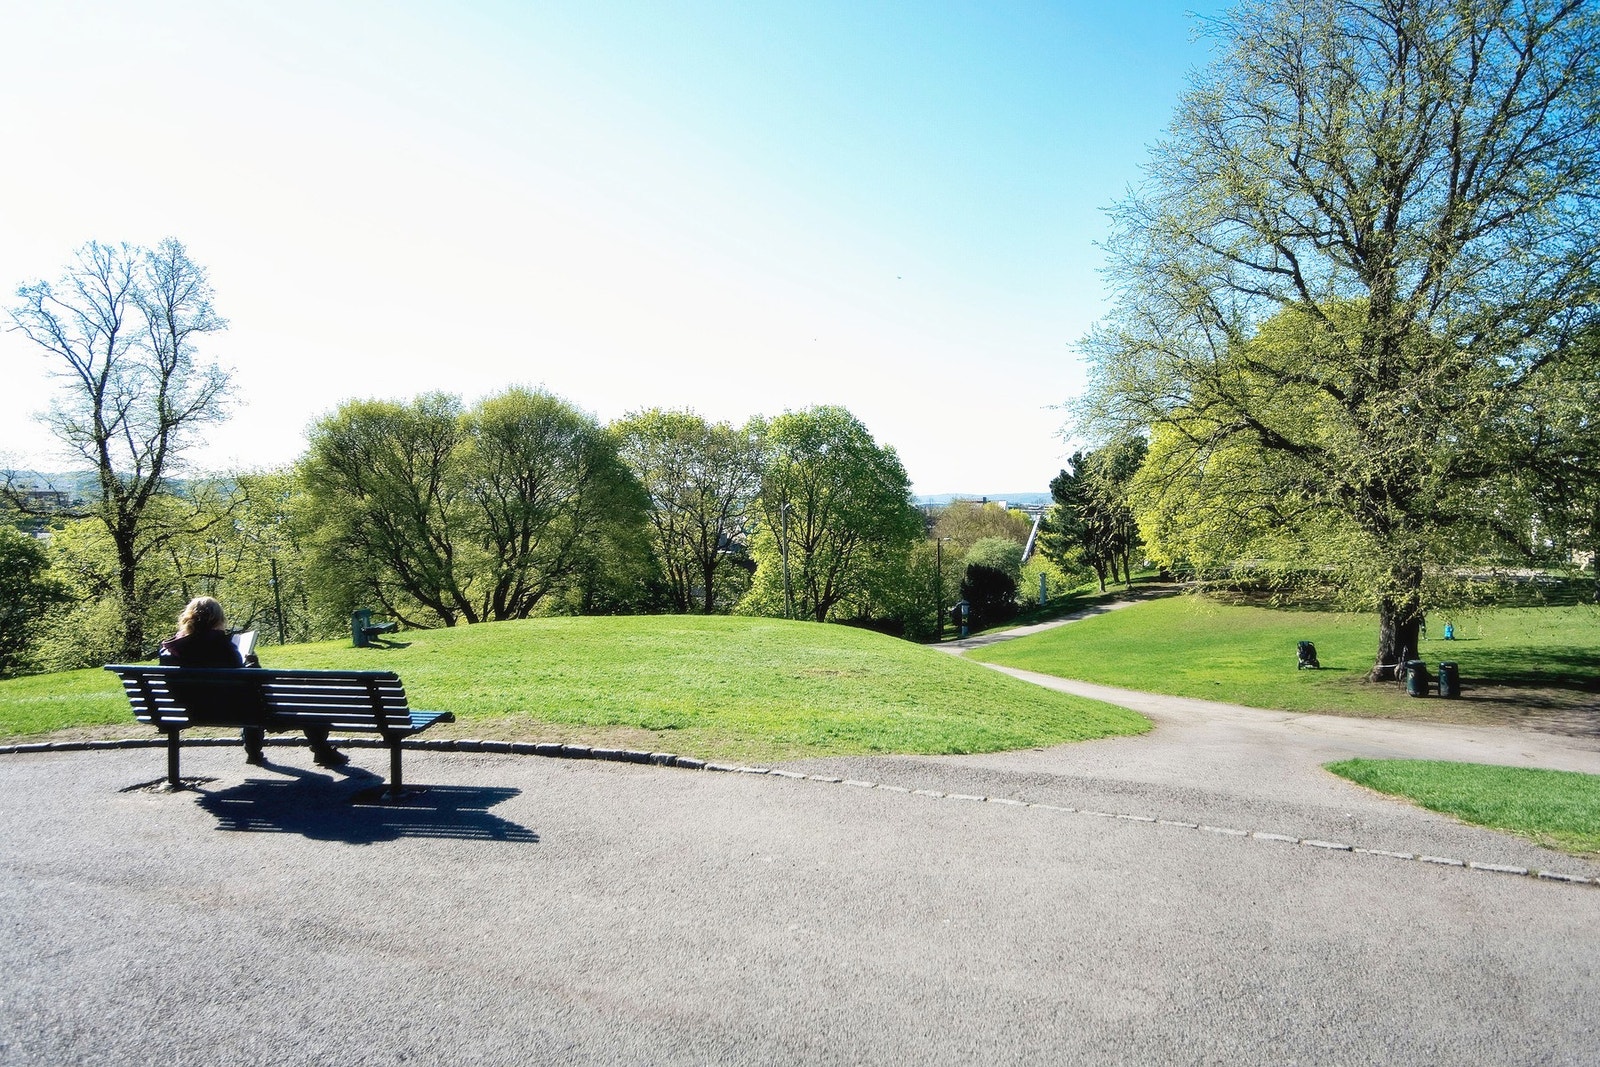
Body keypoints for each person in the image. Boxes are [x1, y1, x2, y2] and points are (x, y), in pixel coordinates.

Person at [159, 596, 348, 768]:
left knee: (246, 704)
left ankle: (254, 752)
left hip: (194, 711)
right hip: (237, 710)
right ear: (217, 619)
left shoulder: (171, 650)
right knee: (304, 706)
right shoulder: (223, 646)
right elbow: (252, 683)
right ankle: (321, 752)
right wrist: (253, 665)